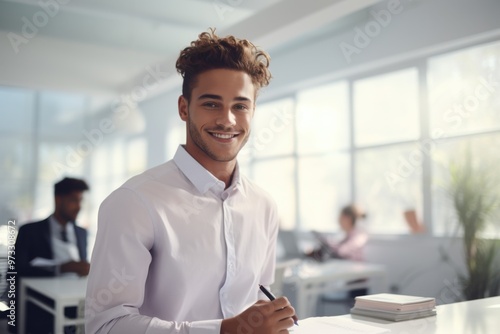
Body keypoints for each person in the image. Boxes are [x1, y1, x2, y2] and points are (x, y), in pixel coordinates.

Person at [85, 29, 297, 334]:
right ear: (184, 108)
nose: (228, 120)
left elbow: (257, 298)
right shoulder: (133, 202)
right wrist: (225, 331)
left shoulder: (264, 206)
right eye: (211, 104)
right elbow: (104, 325)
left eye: (240, 106)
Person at [13, 177, 90, 333]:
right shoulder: (29, 231)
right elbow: (17, 271)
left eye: (80, 201)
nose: (78, 207)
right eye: (73, 200)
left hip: (77, 305)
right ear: (58, 199)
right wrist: (62, 267)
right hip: (42, 307)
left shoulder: (82, 233)